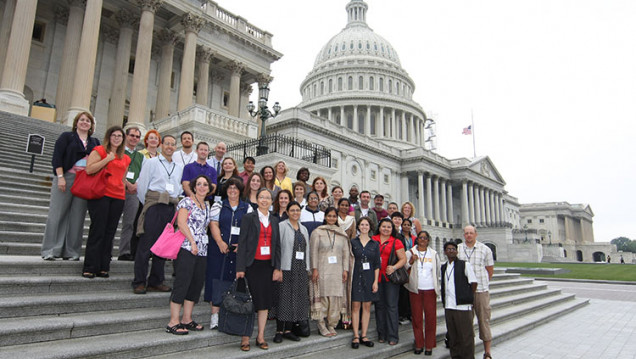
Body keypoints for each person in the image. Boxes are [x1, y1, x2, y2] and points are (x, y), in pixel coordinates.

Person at [42, 111, 100, 261]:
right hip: (66, 177)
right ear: (76, 122)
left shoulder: (95, 142)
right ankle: (51, 249)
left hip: (85, 180)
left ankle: (72, 251)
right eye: (82, 120)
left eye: (88, 121)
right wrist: (60, 177)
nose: (84, 122)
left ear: (91, 125)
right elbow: (57, 158)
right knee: (57, 214)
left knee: (77, 217)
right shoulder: (66, 137)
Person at [132, 135, 183, 294]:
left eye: (173, 144)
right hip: (154, 205)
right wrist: (149, 203)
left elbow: (178, 188)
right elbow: (142, 186)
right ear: (161, 145)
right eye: (167, 144)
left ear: (175, 148)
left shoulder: (178, 167)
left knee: (163, 245)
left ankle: (156, 280)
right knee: (146, 244)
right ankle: (139, 281)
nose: (170, 147)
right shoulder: (151, 162)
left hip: (170, 207)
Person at [165, 175, 214, 335]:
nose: (202, 187)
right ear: (193, 187)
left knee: (195, 284)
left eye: (205, 184)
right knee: (182, 283)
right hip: (186, 248)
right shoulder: (187, 201)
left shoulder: (206, 205)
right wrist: (192, 242)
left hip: (202, 250)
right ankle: (173, 321)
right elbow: (181, 223)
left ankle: (187, 318)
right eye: (198, 184)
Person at [236, 188, 282, 351]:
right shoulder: (249, 218)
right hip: (251, 266)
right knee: (249, 303)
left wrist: (278, 268)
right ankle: (245, 337)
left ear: (271, 201)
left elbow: (277, 246)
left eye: (267, 198)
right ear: (257, 199)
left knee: (264, 303)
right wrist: (240, 268)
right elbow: (242, 244)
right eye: (261, 197)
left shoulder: (275, 220)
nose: (264, 200)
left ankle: (260, 336)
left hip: (267, 267)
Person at [81, 126, 130, 278]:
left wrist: (122, 190)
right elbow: (89, 169)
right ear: (109, 137)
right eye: (114, 135)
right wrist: (107, 159)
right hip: (101, 194)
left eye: (119, 136)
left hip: (118, 197)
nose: (116, 138)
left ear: (123, 140)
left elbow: (123, 178)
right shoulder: (99, 151)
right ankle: (90, 266)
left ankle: (104, 266)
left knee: (110, 232)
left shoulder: (125, 157)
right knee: (98, 230)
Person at [205, 178, 251, 330]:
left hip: (238, 252)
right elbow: (214, 223)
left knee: (234, 283)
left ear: (240, 190)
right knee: (217, 280)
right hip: (219, 250)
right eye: (230, 188)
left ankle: (231, 315)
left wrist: (242, 245)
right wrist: (220, 242)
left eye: (236, 188)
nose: (232, 190)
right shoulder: (219, 205)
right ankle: (215, 316)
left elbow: (251, 228)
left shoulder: (247, 207)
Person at [271, 201, 310, 343]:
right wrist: (278, 268)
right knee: (284, 299)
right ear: (287, 212)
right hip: (286, 268)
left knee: (296, 300)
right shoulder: (281, 226)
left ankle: (288, 330)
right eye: (292, 210)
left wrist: (308, 268)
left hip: (300, 270)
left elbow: (308, 250)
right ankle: (279, 331)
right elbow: (277, 248)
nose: (295, 213)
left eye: (297, 210)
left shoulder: (304, 229)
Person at [310, 207, 352, 337]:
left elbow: (346, 253)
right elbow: (313, 252)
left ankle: (332, 324)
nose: (332, 218)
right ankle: (321, 325)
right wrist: (314, 269)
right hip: (322, 270)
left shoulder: (342, 234)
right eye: (329, 216)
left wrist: (345, 270)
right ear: (325, 217)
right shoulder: (317, 232)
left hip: (337, 271)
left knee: (335, 299)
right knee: (323, 297)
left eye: (334, 216)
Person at [457, 225, 495, 359]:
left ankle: (487, 352)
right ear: (464, 235)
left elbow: (489, 270)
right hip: (464, 291)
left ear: (476, 234)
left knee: (484, 320)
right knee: (466, 323)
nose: (468, 235)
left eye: (471, 233)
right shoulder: (458, 249)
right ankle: (468, 352)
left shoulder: (485, 249)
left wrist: (482, 282)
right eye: (466, 233)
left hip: (480, 290)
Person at [405, 231, 441, 355]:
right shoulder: (410, 252)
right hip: (416, 289)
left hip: (430, 289)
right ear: (417, 239)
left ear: (428, 240)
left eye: (425, 238)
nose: (423, 240)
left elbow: (437, 271)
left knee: (431, 318)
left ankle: (429, 345)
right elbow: (403, 267)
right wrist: (410, 262)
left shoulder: (433, 254)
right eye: (421, 238)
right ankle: (419, 344)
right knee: (417, 318)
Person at [372, 218, 406, 345]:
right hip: (376, 278)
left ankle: (393, 336)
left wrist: (394, 267)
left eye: (388, 227)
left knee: (391, 306)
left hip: (390, 278)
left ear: (392, 229)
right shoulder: (373, 240)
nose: (386, 229)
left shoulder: (396, 242)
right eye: (383, 226)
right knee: (379, 306)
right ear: (379, 227)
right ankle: (382, 334)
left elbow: (403, 259)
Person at [442, 241, 478, 359]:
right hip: (449, 306)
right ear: (445, 252)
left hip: (462, 306)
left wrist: (466, 296)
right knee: (453, 336)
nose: (451, 251)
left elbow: (473, 283)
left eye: (453, 249)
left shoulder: (464, 264)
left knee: (466, 336)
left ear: (457, 251)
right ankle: (455, 356)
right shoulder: (444, 267)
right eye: (448, 249)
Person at [350, 217, 379, 349]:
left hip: (369, 277)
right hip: (356, 277)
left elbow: (377, 265)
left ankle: (364, 335)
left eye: (366, 224)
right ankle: (356, 335)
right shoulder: (353, 242)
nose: (364, 227)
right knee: (355, 306)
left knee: (367, 307)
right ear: (358, 227)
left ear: (370, 227)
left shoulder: (374, 244)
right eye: (362, 224)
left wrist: (375, 282)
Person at [118, 127, 143, 261]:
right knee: (112, 222)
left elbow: (143, 173)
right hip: (117, 189)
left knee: (129, 223)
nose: (134, 138)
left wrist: (135, 184)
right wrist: (127, 183)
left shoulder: (140, 156)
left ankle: (124, 251)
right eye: (132, 135)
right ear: (126, 136)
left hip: (133, 192)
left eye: (137, 136)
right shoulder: (119, 151)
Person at [390, 211, 411, 325]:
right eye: (395, 219)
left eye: (399, 219)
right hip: (390, 265)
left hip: (399, 266)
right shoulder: (389, 232)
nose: (397, 221)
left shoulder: (401, 236)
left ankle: (401, 314)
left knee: (401, 292)